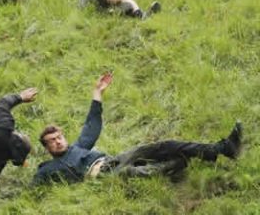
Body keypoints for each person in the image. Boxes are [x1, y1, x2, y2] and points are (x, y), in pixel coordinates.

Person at [34, 73, 243, 185]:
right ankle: (181, 164)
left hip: (112, 160)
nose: (58, 141)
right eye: (52, 141)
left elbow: (92, 124)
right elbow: (34, 187)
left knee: (161, 146)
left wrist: (97, 92)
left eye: (59, 136)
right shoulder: (47, 169)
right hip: (104, 176)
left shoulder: (78, 147)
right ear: (47, 148)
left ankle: (222, 149)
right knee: (137, 172)